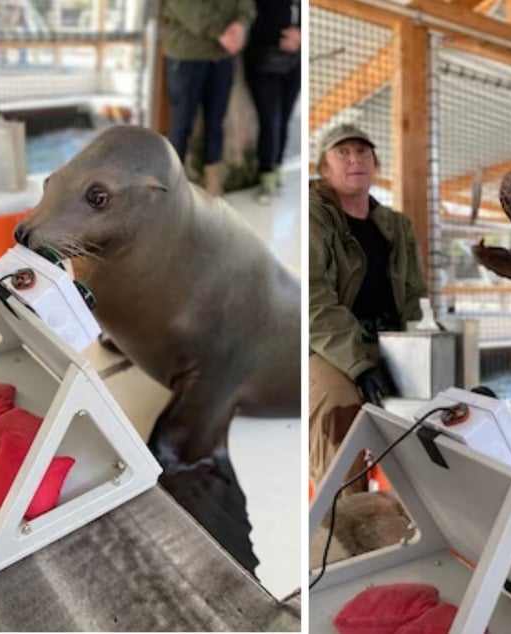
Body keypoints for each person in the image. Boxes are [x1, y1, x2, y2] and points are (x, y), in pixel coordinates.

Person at [309, 123, 427, 490]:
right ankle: (340, 522)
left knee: (441, 405)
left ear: (375, 163)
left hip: (391, 343)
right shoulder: (317, 215)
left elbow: (413, 297)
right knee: (341, 412)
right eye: (342, 152)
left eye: (362, 151)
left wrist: (422, 352)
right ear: (324, 168)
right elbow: (314, 299)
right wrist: (358, 364)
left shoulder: (396, 225)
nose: (354, 159)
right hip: (328, 348)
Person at [161, 0, 256, 197]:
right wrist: (221, 33)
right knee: (181, 125)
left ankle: (213, 185)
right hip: (187, 54)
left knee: (216, 123)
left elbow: (246, 5)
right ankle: (171, 190)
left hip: (222, 56)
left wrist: (241, 25)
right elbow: (187, 8)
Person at [244, 0, 300, 205]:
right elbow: (250, 17)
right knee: (270, 120)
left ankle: (276, 170)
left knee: (284, 118)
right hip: (264, 58)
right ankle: (266, 176)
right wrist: (282, 37)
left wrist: (299, 35)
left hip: (294, 62)